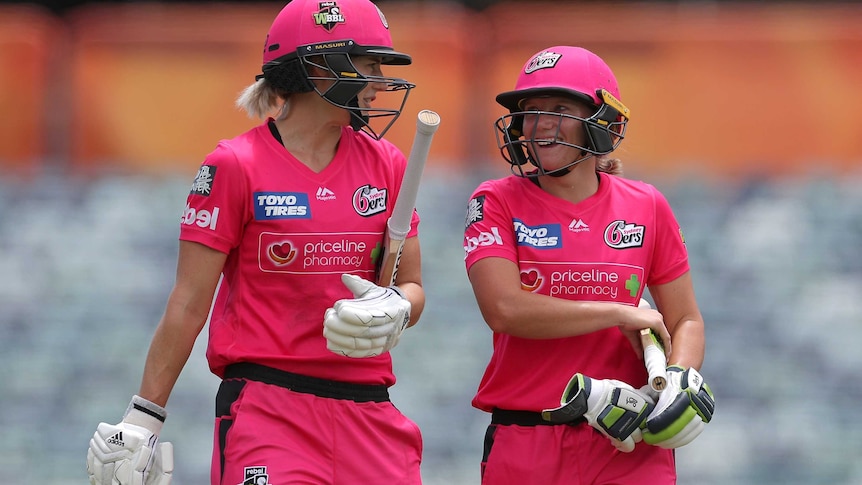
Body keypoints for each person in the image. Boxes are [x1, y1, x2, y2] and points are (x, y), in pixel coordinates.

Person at [86, 1, 426, 484]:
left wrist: (398, 306)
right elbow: (187, 303)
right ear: (317, 67)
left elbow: (412, 287)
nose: (380, 81)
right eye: (368, 65)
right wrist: (144, 417)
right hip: (269, 413)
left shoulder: (389, 163)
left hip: (370, 413)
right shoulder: (234, 165)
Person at [462, 45, 715, 484]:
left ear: (601, 122)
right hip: (526, 440)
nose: (540, 124)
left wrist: (678, 379)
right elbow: (503, 309)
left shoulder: (647, 205)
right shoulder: (494, 200)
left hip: (629, 445)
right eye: (531, 110)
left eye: (559, 108)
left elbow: (686, 318)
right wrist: (619, 312)